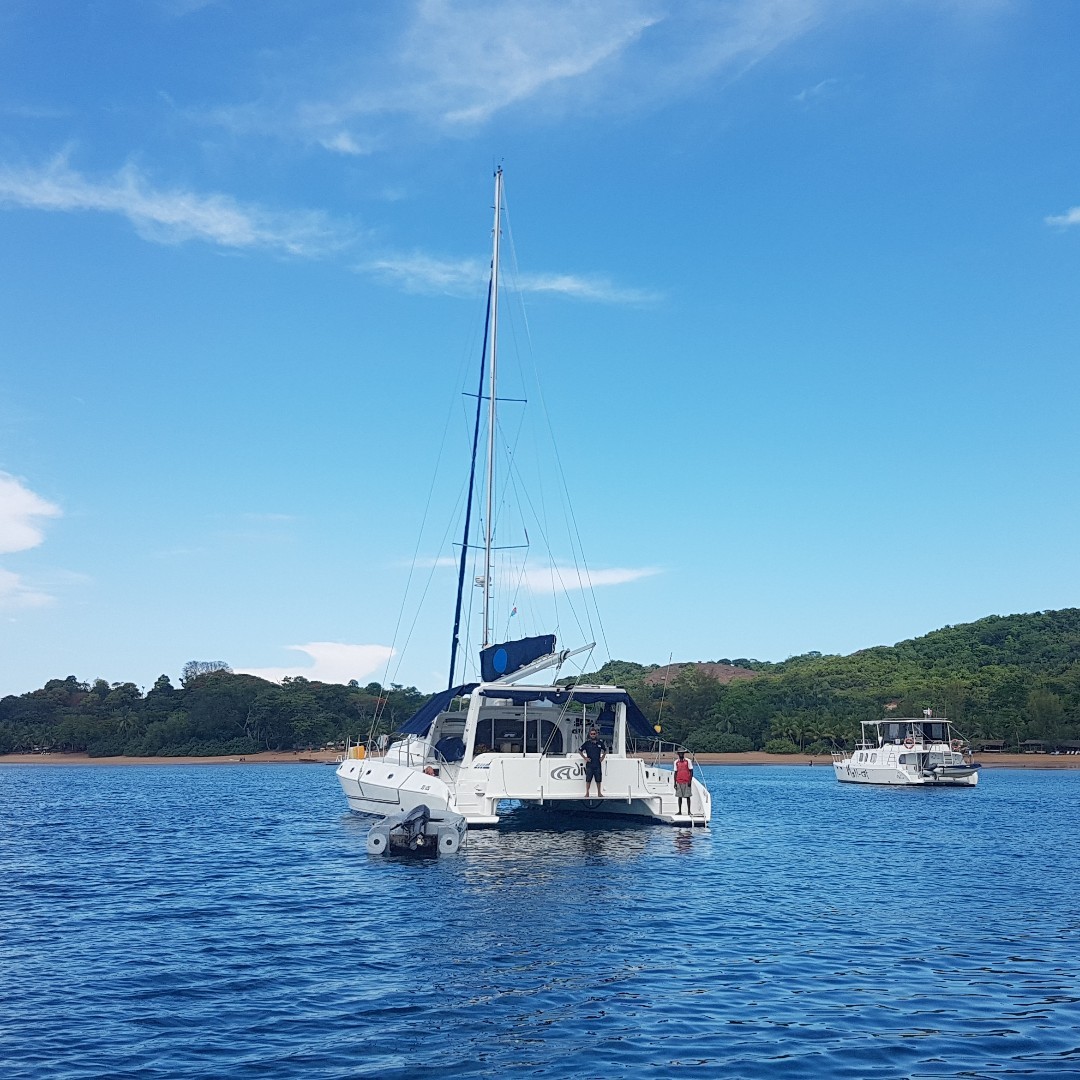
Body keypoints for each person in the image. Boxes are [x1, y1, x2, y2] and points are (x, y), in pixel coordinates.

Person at [580, 727, 607, 798]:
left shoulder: (600, 743)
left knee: (598, 779)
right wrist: (585, 758)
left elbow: (605, 750)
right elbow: (579, 750)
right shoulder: (587, 743)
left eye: (594, 734)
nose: (593, 735)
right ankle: (587, 793)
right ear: (589, 734)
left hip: (597, 764)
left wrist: (603, 757)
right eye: (591, 734)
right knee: (588, 779)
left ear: (596, 734)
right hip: (589, 764)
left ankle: (599, 793)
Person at [673, 751, 693, 816]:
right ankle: (679, 811)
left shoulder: (688, 761)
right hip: (679, 781)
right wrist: (674, 783)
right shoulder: (676, 762)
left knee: (688, 796)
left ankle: (689, 811)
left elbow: (691, 771)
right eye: (680, 753)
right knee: (679, 797)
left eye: (682, 753)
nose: (681, 754)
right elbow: (675, 773)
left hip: (686, 781)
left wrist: (690, 780)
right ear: (678, 754)